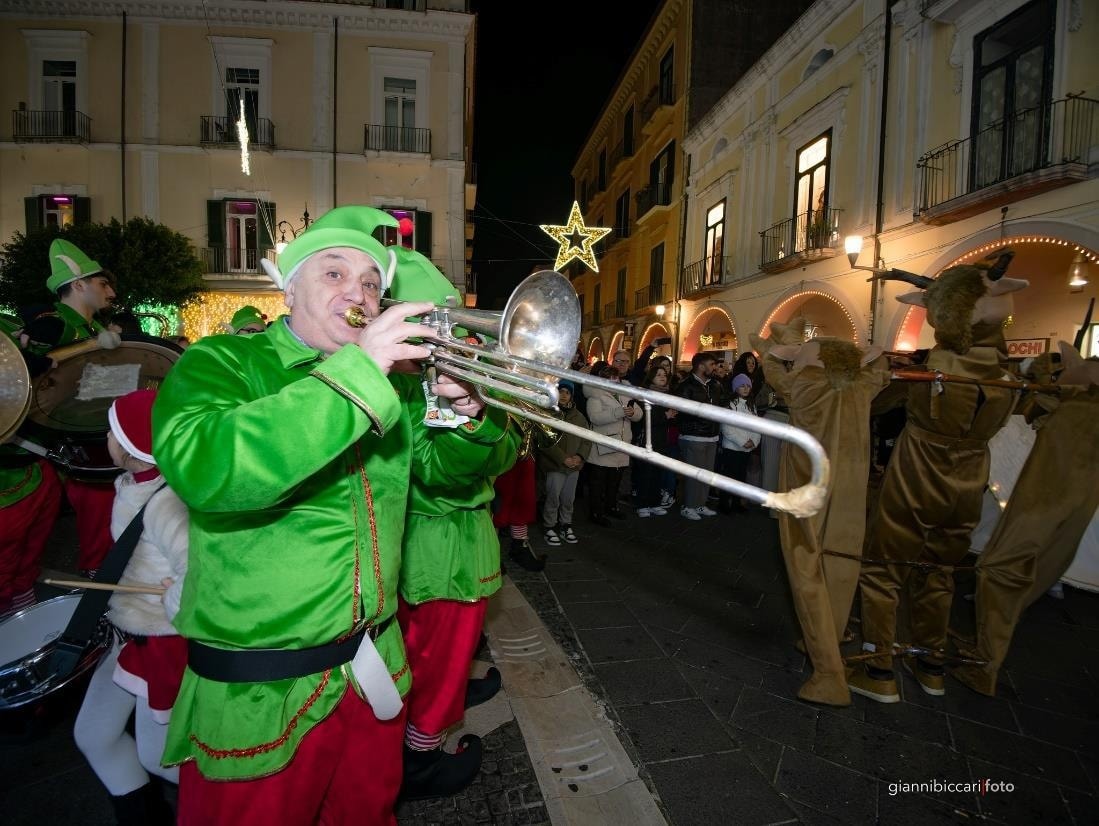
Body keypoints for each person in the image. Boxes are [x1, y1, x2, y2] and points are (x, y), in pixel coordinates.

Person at [152, 205, 482, 825]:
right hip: (262, 690)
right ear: (290, 286)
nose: (356, 293)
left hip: (371, 674)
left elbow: (446, 479)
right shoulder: (223, 363)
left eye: (370, 284)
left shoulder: (394, 385)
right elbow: (207, 470)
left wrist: (466, 416)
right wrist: (359, 374)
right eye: (334, 274)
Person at [388, 247, 523, 799]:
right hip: (437, 554)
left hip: (459, 543)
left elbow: (508, 451)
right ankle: (419, 763)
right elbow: (439, 474)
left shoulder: (438, 380)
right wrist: (472, 421)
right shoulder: (401, 390)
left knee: (445, 657)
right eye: (440, 324)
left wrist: (486, 419)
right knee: (435, 666)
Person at [73, 389, 188, 826]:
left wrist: (176, 595)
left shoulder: (168, 501)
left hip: (164, 641)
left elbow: (198, 573)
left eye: (112, 430)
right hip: (131, 632)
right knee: (95, 734)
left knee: (161, 758)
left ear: (130, 445)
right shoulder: (136, 486)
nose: (106, 437)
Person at [22, 239, 123, 577]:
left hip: (99, 439)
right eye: (102, 283)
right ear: (78, 285)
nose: (110, 291)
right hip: (70, 450)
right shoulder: (56, 324)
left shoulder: (93, 328)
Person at [584, 363, 642, 525]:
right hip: (603, 444)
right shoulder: (595, 395)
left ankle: (611, 506)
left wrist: (632, 413)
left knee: (615, 479)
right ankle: (595, 512)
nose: (613, 380)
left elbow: (638, 413)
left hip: (622, 442)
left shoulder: (624, 393)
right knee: (598, 481)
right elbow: (595, 417)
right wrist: (618, 412)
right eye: (609, 377)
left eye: (615, 377)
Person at [537, 379, 591, 543]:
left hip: (573, 466)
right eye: (560, 391)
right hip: (555, 465)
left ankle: (565, 524)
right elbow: (544, 439)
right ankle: (549, 525)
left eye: (567, 392)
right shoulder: (548, 413)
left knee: (568, 498)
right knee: (553, 496)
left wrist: (579, 457)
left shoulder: (579, 417)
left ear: (572, 396)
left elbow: (586, 439)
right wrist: (563, 458)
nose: (563, 395)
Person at [674, 352, 722, 520]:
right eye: (711, 364)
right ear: (701, 366)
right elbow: (683, 411)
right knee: (694, 475)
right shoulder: (686, 386)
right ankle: (688, 506)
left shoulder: (715, 385)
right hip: (693, 436)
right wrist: (705, 415)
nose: (715, 367)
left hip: (712, 436)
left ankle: (700, 504)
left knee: (707, 474)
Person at [633, 364, 677, 517]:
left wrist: (672, 416)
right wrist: (665, 416)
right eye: (658, 374)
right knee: (646, 474)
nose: (662, 377)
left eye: (664, 374)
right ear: (651, 377)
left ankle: (655, 503)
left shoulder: (668, 395)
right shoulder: (644, 394)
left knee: (658, 474)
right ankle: (642, 504)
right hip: (647, 439)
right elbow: (642, 417)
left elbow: (672, 418)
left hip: (662, 439)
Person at [717, 373, 761, 514]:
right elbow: (727, 428)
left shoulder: (751, 405)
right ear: (735, 388)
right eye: (742, 385)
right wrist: (743, 442)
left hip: (747, 448)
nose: (746, 388)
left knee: (741, 476)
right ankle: (724, 503)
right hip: (732, 447)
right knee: (729, 476)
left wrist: (754, 441)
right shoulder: (730, 405)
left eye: (748, 386)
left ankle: (736, 503)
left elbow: (756, 426)